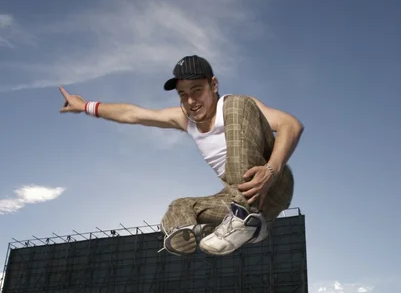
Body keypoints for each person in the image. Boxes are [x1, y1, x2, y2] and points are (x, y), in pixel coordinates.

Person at [59, 55, 303, 256]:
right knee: (179, 207)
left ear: (213, 85)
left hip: (274, 182)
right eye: (183, 94)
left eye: (197, 90)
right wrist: (86, 106)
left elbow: (290, 125)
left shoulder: (233, 105)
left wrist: (271, 171)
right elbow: (134, 114)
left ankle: (245, 217)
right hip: (239, 196)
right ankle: (238, 227)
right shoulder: (183, 119)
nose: (191, 101)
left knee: (237, 104)